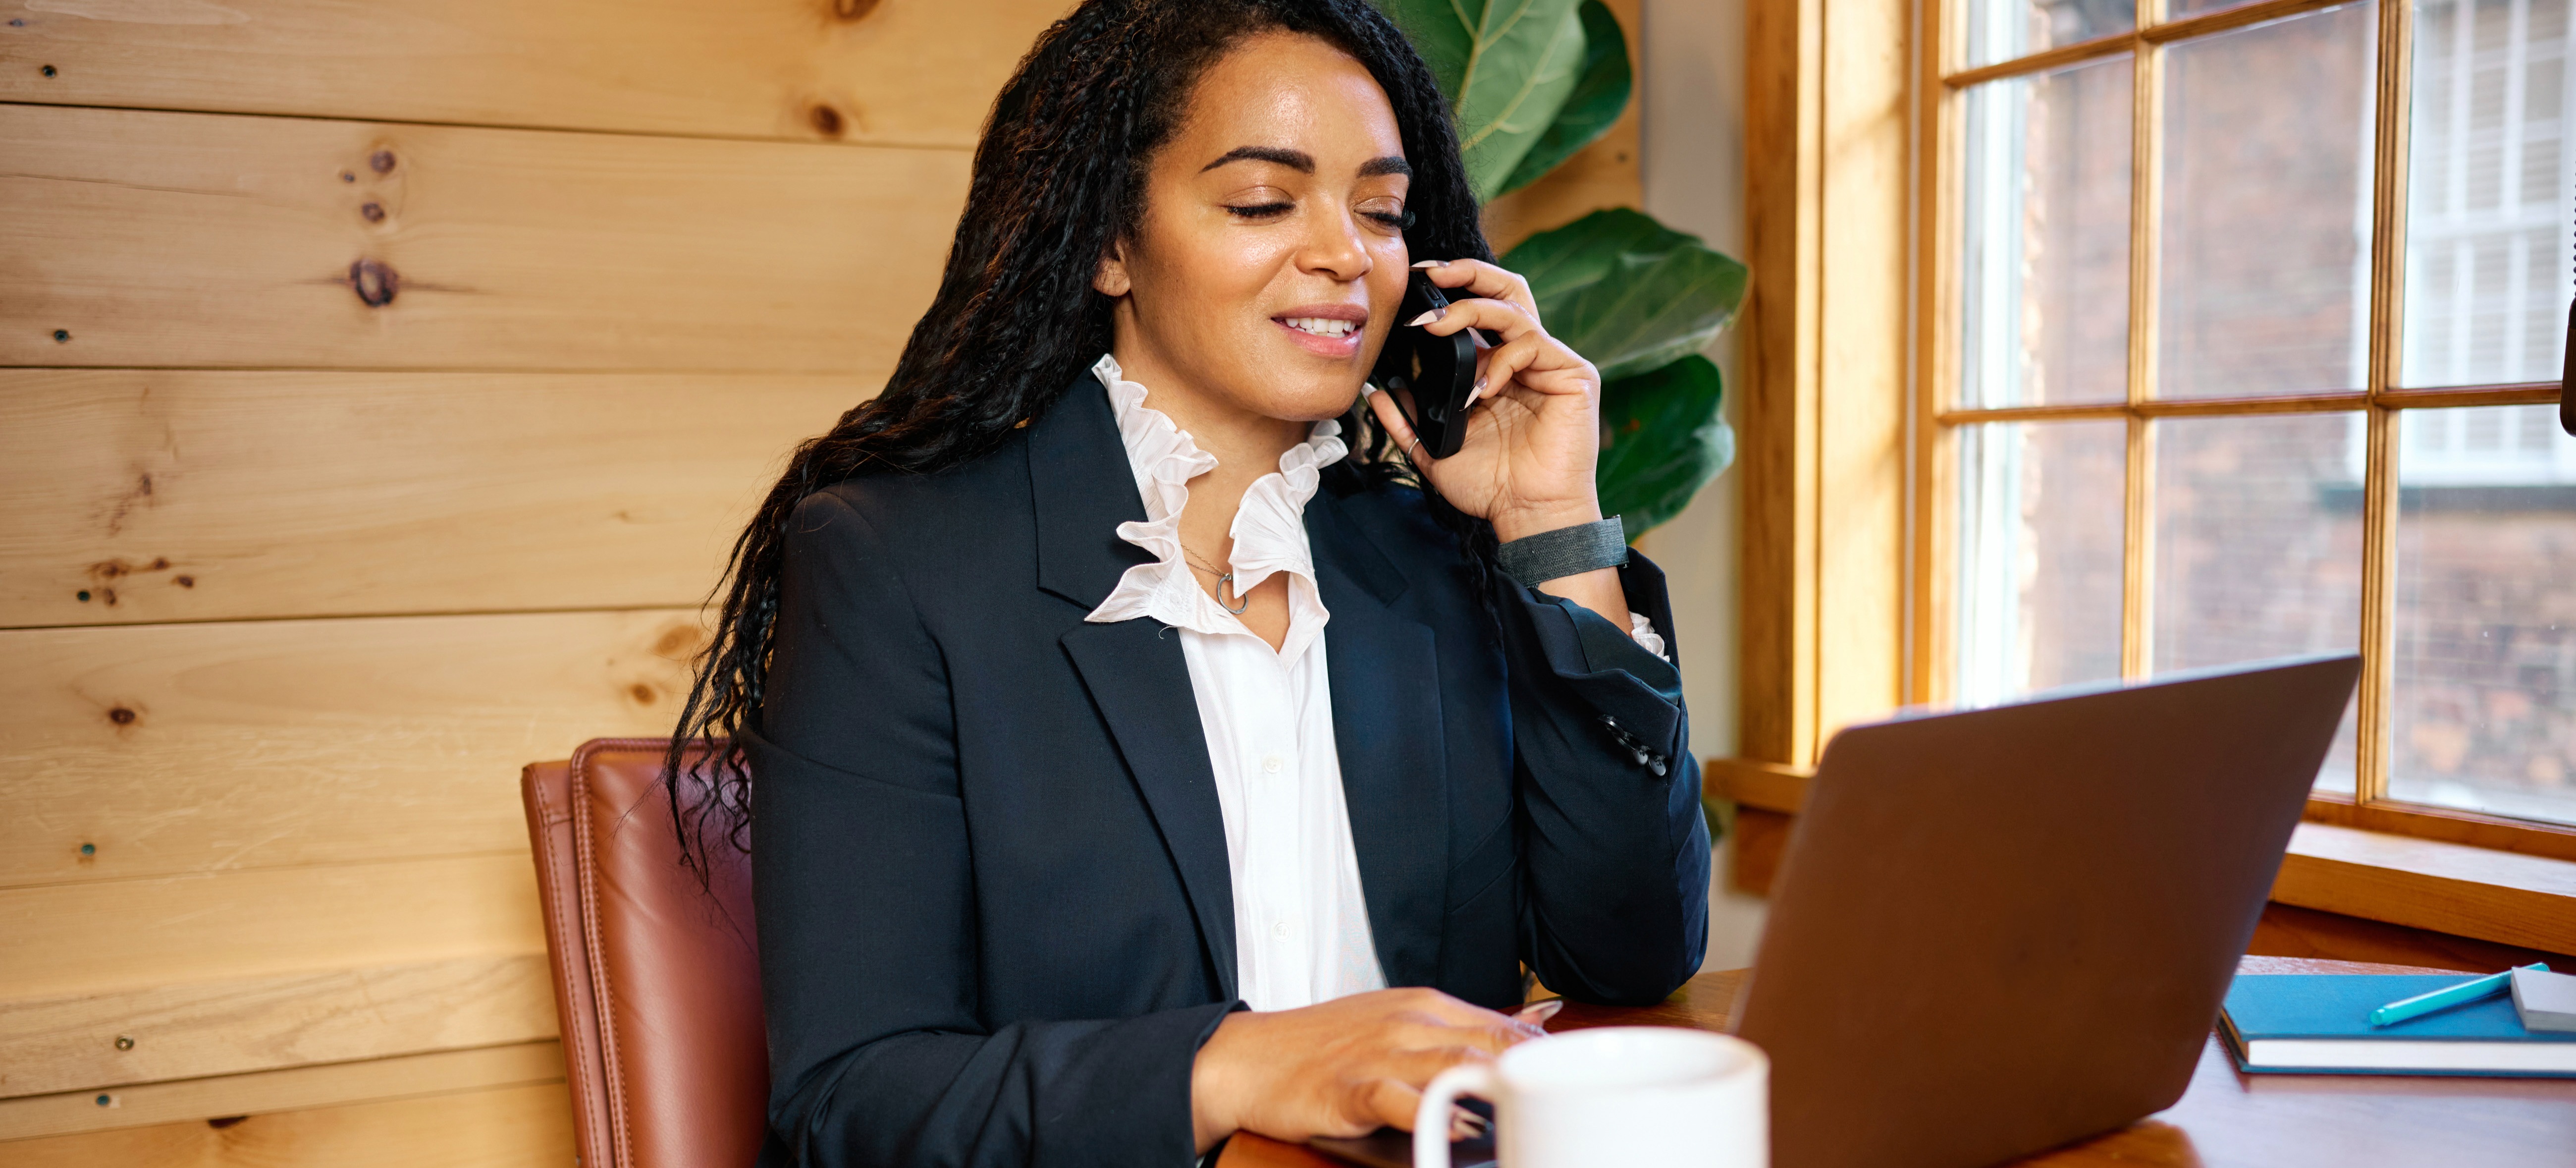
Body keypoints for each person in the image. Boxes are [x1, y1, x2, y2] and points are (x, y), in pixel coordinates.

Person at [661, 1, 1710, 1164]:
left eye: (1380, 210)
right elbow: (850, 1102)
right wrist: (1237, 1064)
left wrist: (1552, 525)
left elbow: (1632, 955)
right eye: (1263, 201)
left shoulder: (1432, 561)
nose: (1343, 255)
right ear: (1108, 241)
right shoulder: (899, 564)